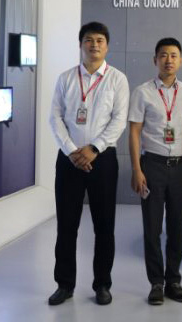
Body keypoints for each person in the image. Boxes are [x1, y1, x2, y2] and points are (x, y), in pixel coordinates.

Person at [48, 22, 130, 306]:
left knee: (104, 226)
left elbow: (119, 120)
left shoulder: (117, 79)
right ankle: (64, 285)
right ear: (80, 44)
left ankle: (102, 284)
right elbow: (55, 118)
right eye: (88, 40)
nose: (94, 45)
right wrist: (72, 151)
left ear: (107, 45)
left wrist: (94, 148)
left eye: (99, 40)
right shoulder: (66, 78)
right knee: (66, 226)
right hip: (69, 159)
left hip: (102, 159)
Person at [128, 37, 182, 306]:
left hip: (181, 167)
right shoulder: (142, 92)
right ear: (155, 59)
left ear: (181, 60)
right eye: (163, 55)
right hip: (152, 166)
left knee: (177, 227)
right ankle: (156, 282)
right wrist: (137, 169)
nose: (169, 60)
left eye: (174, 55)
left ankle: (174, 281)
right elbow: (134, 132)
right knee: (152, 228)